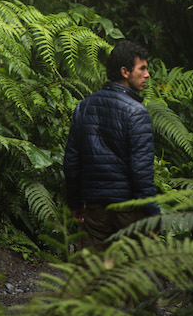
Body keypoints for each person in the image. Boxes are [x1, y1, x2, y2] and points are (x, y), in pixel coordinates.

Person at [63, 39, 160, 249]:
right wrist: (153, 212)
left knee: (91, 273)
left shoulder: (84, 107)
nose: (147, 75)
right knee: (142, 271)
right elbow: (141, 171)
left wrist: (76, 203)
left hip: (95, 208)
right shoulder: (137, 112)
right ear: (125, 72)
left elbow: (72, 162)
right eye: (142, 69)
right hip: (129, 208)